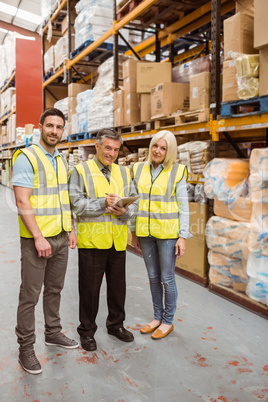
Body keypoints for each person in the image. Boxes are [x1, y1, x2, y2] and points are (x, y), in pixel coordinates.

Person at [12, 108, 78, 375]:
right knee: (30, 295)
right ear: (40, 127)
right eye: (49, 125)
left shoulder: (61, 159)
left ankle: (53, 332)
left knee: (54, 289)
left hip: (61, 237)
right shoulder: (27, 157)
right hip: (37, 240)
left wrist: (71, 228)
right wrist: (38, 237)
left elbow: (64, 198)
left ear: (63, 130)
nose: (54, 131)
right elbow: (21, 200)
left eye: (59, 127)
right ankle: (25, 348)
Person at [69, 128, 138, 352]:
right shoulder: (81, 170)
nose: (112, 153)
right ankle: (87, 331)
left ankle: (116, 325)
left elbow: (134, 205)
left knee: (118, 289)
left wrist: (124, 213)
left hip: (117, 240)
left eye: (116, 149)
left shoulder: (124, 172)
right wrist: (102, 203)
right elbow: (76, 204)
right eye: (108, 148)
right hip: (92, 242)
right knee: (89, 290)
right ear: (97, 146)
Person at [131, 130, 192, 339]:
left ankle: (167, 321)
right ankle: (156, 317)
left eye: (163, 148)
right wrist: (134, 231)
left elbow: (184, 207)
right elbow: (135, 201)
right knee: (153, 277)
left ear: (170, 151)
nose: (158, 151)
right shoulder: (139, 168)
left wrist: (182, 236)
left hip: (168, 235)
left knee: (167, 279)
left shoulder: (178, 171)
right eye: (155, 146)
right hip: (146, 233)